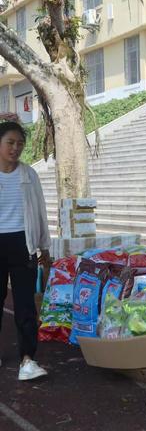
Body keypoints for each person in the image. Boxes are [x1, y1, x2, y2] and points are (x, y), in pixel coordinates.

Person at [0, 121, 50, 380]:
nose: (15, 148)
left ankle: (28, 360)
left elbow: (40, 213)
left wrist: (45, 247)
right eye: (10, 142)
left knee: (25, 306)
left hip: (24, 244)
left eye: (20, 143)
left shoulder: (29, 175)